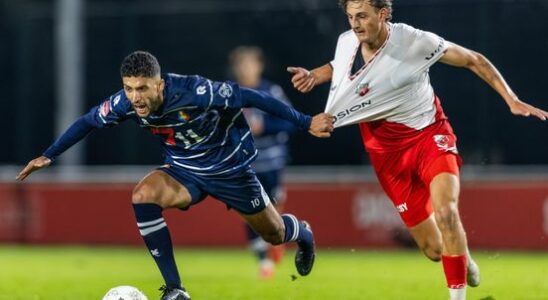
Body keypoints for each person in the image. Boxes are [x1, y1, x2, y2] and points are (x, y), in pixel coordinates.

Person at [16, 51, 334, 300]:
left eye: (142, 88)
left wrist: (305, 122)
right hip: (184, 171)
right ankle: (175, 288)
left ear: (160, 84)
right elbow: (87, 121)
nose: (135, 97)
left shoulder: (195, 91)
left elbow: (251, 97)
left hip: (229, 170)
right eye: (129, 88)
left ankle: (303, 232)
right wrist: (49, 155)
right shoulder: (124, 103)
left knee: (274, 234)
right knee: (142, 195)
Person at [287, 1, 548, 299]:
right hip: (387, 156)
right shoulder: (348, 41)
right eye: (350, 17)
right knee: (435, 250)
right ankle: (464, 257)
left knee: (446, 210)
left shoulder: (413, 42)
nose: (355, 24)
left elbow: (473, 59)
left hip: (429, 136)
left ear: (383, 14)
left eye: (362, 16)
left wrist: (511, 99)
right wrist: (315, 75)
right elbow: (341, 66)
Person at [229, 46, 295, 278]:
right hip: (243, 166)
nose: (245, 69)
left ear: (259, 66)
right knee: (249, 212)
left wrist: (264, 127)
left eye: (250, 64)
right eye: (241, 64)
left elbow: (289, 120)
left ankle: (276, 241)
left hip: (272, 163)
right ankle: (264, 262)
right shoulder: (228, 93)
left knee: (273, 211)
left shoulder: (271, 91)